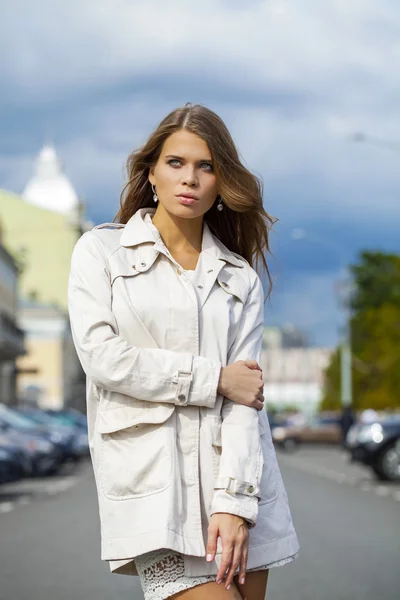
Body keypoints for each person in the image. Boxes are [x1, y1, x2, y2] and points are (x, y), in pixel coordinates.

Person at [68, 104, 299, 600]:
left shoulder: (240, 277)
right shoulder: (101, 252)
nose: (189, 178)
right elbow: (104, 358)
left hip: (236, 485)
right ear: (151, 171)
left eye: (206, 166)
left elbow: (245, 401)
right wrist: (214, 377)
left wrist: (235, 503)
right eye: (176, 163)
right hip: (155, 491)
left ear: (221, 181)